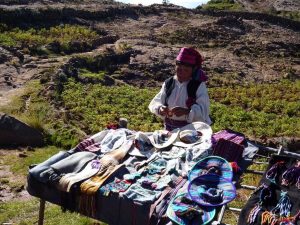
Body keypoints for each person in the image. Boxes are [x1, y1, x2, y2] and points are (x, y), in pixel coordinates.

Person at [148, 47, 211, 131]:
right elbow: (155, 102)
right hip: (169, 128)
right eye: (179, 69)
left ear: (193, 70)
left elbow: (204, 112)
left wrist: (187, 112)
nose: (181, 73)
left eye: (186, 70)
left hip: (192, 130)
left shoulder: (198, 86)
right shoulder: (169, 83)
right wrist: (161, 108)